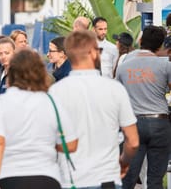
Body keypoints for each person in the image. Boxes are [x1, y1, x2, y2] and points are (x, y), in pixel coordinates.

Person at [49, 30, 139, 188]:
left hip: (71, 179)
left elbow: (48, 137)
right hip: (106, 177)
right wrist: (124, 162)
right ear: (93, 53)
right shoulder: (114, 89)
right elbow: (133, 141)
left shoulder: (56, 91)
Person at [0, 49, 78, 189]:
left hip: (8, 177)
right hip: (46, 178)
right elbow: (71, 144)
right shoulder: (52, 103)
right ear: (41, 73)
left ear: (12, 73)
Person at [116, 25, 171, 189]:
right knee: (155, 179)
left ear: (140, 41)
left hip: (133, 125)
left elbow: (118, 98)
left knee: (129, 178)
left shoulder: (123, 67)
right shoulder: (165, 66)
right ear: (160, 45)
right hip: (160, 123)